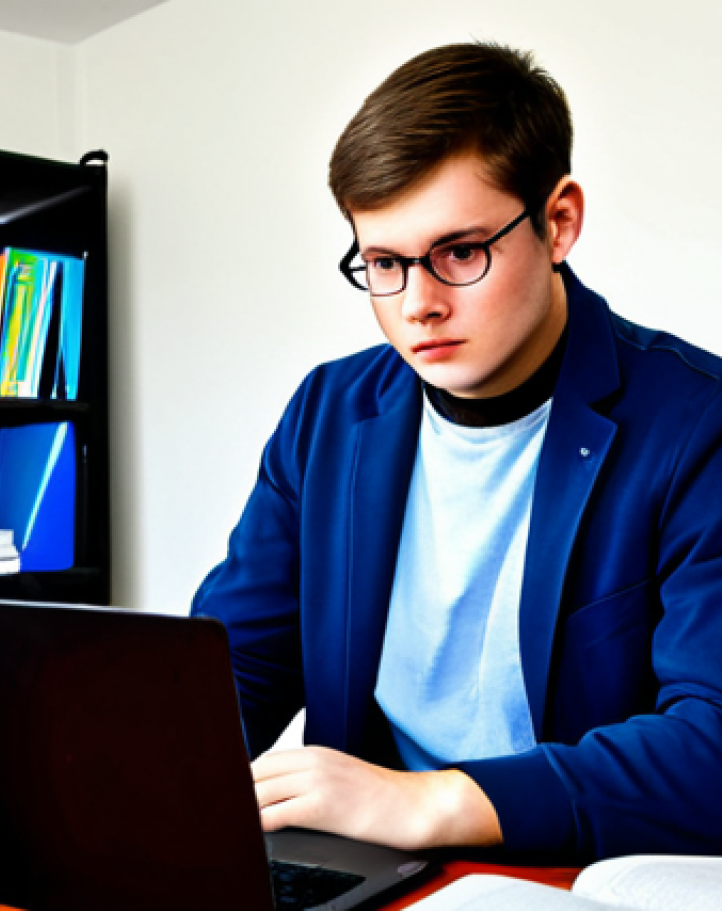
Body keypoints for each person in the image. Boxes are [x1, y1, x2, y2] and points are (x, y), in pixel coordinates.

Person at [190, 41, 722, 863]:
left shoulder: (698, 423)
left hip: (573, 877)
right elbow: (237, 669)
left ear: (559, 222)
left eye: (460, 253)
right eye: (384, 263)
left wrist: (429, 802)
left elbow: (712, 747)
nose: (419, 305)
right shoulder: (327, 414)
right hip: (363, 875)